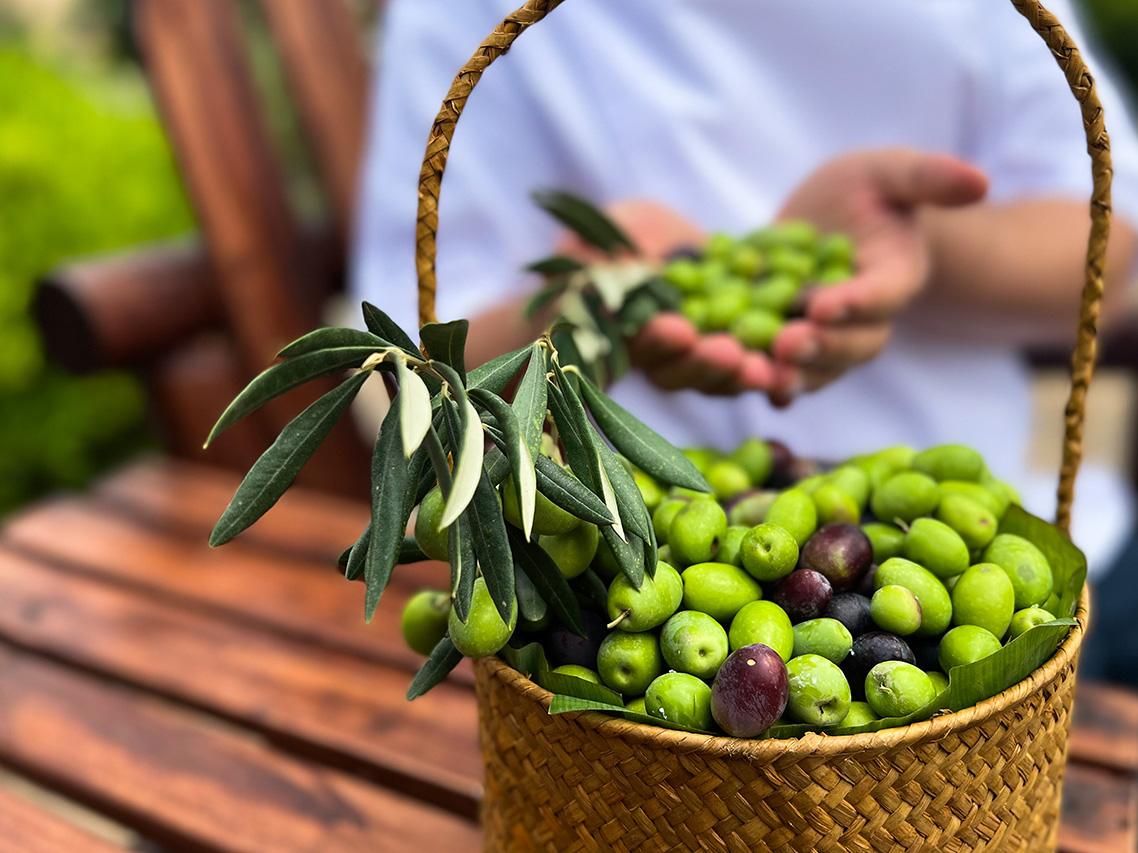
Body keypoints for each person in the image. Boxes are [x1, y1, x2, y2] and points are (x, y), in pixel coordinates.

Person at [351, 1, 1138, 582]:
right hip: (628, 579)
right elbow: (403, 381)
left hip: (1028, 545)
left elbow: (1117, 258)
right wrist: (582, 315)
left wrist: (929, 248)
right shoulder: (467, 17)